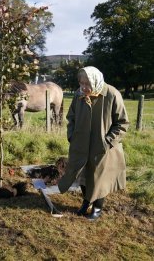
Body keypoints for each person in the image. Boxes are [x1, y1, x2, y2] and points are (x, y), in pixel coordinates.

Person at [58, 66, 129, 221]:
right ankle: (86, 202)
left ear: (96, 81)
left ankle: (97, 208)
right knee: (83, 174)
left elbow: (122, 123)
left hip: (102, 147)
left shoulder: (112, 94)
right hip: (81, 144)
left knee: (99, 177)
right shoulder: (79, 95)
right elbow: (71, 117)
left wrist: (107, 141)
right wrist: (71, 136)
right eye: (81, 83)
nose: (83, 87)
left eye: (87, 84)